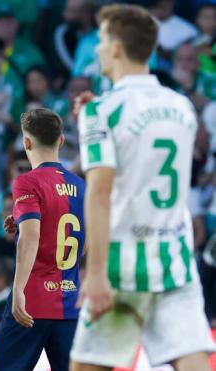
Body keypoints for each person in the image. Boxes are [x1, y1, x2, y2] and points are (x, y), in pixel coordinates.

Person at [72, 5, 216, 371]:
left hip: (123, 267)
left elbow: (101, 192)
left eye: (102, 40)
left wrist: (96, 273)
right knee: (193, 364)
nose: (98, 48)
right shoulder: (182, 107)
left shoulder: (101, 112)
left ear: (118, 47)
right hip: (174, 259)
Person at [0, 108, 86, 370]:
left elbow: (31, 236)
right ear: (61, 140)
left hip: (32, 302)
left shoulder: (27, 182)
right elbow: (83, 242)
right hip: (69, 304)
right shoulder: (80, 185)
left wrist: (18, 288)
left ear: (26, 143)